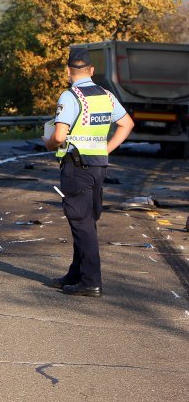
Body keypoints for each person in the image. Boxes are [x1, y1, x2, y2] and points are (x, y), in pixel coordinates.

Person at [44, 47, 134, 297]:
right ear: (92, 71)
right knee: (86, 222)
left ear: (67, 71)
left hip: (77, 167)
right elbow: (127, 124)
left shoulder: (70, 96)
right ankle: (76, 274)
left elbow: (59, 136)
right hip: (98, 166)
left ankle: (91, 282)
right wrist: (107, 148)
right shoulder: (106, 95)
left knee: (81, 222)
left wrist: (48, 143)